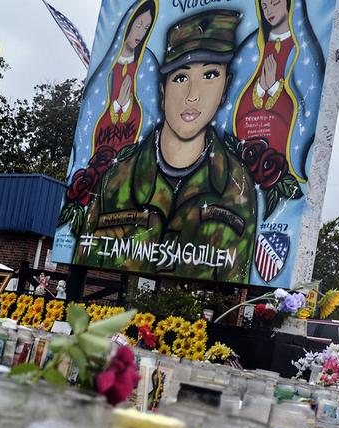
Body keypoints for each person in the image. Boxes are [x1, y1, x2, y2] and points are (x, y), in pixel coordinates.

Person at [74, 10, 256, 284]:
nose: (193, 96)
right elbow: (85, 254)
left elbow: (234, 276)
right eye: (180, 78)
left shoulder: (237, 188)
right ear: (162, 90)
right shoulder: (117, 179)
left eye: (210, 75)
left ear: (225, 88)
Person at [231, 0, 324, 181]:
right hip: (247, 145)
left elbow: (307, 105)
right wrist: (261, 88)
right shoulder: (253, 48)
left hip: (281, 152)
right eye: (264, 6)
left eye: (274, 3)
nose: (269, 11)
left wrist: (272, 88)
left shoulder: (302, 49)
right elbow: (236, 98)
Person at [92, 1, 157, 152]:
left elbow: (148, 111)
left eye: (146, 28)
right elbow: (95, 110)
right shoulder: (107, 66)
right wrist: (117, 105)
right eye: (138, 25)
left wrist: (126, 106)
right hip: (104, 144)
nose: (141, 33)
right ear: (127, 24)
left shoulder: (146, 64)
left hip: (131, 145)